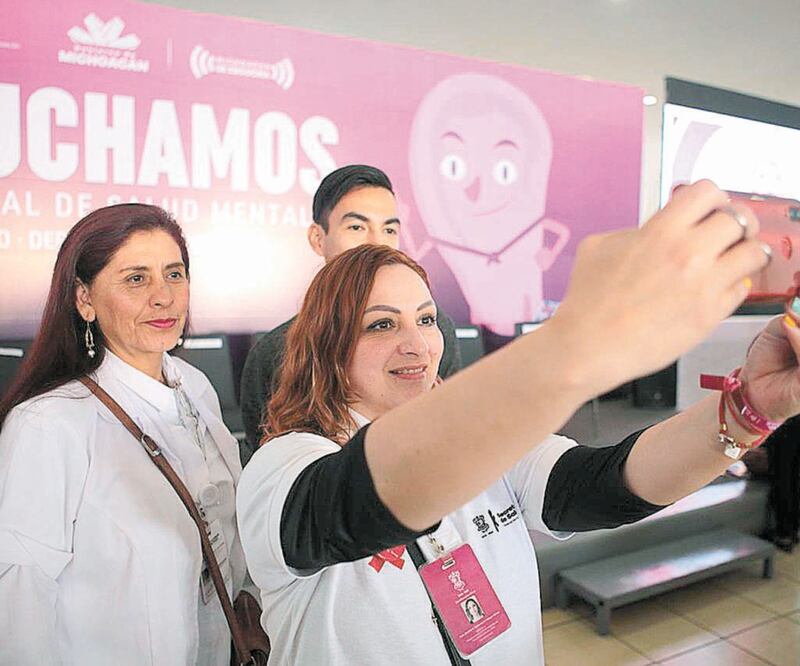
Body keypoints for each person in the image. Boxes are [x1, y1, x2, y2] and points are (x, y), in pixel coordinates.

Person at [236, 181, 800, 665]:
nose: (416, 345)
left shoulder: (489, 441)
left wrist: (747, 409)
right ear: (328, 348)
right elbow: (366, 498)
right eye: (381, 326)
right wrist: (577, 342)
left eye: (426, 319)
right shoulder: (284, 467)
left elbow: (605, 483)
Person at [0, 204, 246, 665]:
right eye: (136, 279)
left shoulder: (196, 388)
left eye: (174, 275)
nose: (163, 297)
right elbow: (19, 605)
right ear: (84, 299)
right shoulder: (48, 425)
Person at [239, 164, 462, 466]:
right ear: (318, 239)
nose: (376, 243)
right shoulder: (274, 352)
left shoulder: (437, 334)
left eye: (389, 229)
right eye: (357, 227)